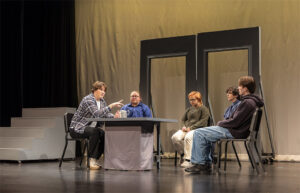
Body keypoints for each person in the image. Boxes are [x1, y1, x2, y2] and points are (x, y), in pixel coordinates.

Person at [185, 76, 264, 173]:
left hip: (234, 131)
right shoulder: (251, 101)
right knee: (204, 134)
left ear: (245, 88)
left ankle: (200, 163)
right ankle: (204, 163)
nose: (238, 88)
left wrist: (220, 123)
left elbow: (235, 121)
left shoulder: (247, 103)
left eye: (240, 86)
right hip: (236, 130)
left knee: (198, 133)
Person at [70, 81, 123, 170]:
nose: (103, 92)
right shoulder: (88, 99)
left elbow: (105, 115)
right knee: (95, 132)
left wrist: (114, 116)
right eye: (101, 90)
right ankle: (91, 159)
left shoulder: (102, 101)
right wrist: (111, 106)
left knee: (104, 135)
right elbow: (97, 114)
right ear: (94, 90)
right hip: (77, 128)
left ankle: (94, 159)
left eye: (104, 90)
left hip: (91, 128)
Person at [171, 91, 210, 168]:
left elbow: (203, 122)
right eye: (190, 100)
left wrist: (191, 128)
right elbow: (183, 120)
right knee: (175, 137)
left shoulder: (204, 109)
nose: (191, 101)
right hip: (187, 129)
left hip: (198, 130)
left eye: (193, 99)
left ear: (198, 99)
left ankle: (188, 159)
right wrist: (184, 126)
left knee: (188, 137)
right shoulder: (189, 109)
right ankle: (182, 154)